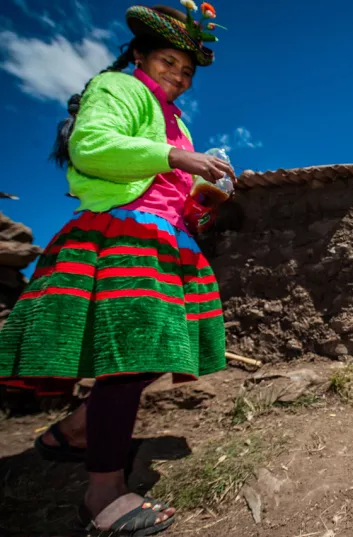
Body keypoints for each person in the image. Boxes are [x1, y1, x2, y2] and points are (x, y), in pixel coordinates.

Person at [0, 3, 234, 534]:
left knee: (158, 347)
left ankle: (77, 431)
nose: (177, 77)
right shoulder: (117, 90)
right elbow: (92, 147)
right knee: (128, 361)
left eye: (186, 72)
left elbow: (172, 183)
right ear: (139, 56)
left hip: (165, 239)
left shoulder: (177, 121)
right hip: (123, 233)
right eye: (168, 63)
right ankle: (102, 495)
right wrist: (178, 159)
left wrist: (199, 201)